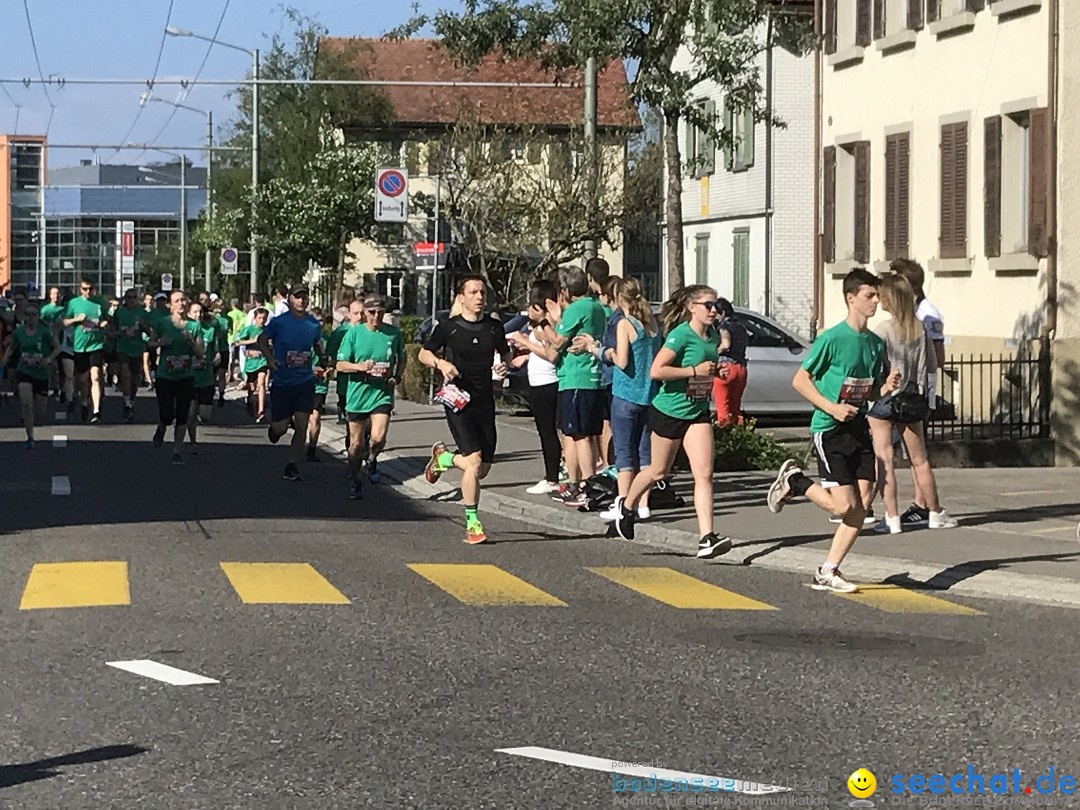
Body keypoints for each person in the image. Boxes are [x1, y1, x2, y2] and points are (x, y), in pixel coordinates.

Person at [765, 268, 902, 593]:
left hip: (858, 427)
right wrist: (832, 407)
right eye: (869, 295)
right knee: (845, 507)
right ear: (850, 298)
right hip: (829, 429)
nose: (875, 301)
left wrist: (884, 388)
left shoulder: (873, 342)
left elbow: (865, 390)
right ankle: (795, 481)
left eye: (877, 295)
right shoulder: (832, 338)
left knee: (863, 505)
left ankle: (828, 570)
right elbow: (800, 381)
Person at [611, 285, 732, 559]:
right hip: (668, 411)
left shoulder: (712, 335)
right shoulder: (680, 335)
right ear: (692, 308)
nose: (714, 311)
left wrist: (715, 371)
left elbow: (704, 368)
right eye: (708, 305)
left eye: (717, 305)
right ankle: (627, 507)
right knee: (657, 472)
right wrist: (693, 370)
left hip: (697, 410)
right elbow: (656, 370)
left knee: (704, 474)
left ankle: (707, 538)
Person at [418, 276, 509, 544]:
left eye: (482, 292)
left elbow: (505, 354)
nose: (479, 297)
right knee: (474, 462)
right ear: (462, 297)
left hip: (484, 401)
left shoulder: (493, 327)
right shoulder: (449, 327)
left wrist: (503, 366)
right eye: (473, 292)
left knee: (482, 470)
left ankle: (444, 459)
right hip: (458, 399)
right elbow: (424, 353)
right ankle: (473, 524)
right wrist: (441, 364)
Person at [867, 273, 957, 533]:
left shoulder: (883, 329)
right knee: (920, 461)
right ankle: (935, 511)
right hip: (912, 399)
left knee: (884, 459)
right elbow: (930, 367)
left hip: (885, 397)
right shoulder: (920, 329)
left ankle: (892, 517)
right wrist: (928, 400)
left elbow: (875, 362)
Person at [587, 277, 660, 521]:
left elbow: (622, 361)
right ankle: (644, 504)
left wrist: (601, 351)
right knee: (645, 452)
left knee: (624, 454)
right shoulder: (652, 324)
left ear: (619, 299)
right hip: (648, 395)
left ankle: (623, 504)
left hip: (626, 393)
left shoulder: (625, 324)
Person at [542, 266, 609, 508]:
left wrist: (544, 323)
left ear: (567, 290)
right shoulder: (597, 307)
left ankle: (583, 485)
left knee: (577, 434)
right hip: (593, 377)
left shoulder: (577, 308)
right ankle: (585, 484)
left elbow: (557, 343)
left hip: (575, 377)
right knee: (586, 434)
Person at [891, 258, 946, 528]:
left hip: (916, 391)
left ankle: (922, 504)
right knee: (911, 452)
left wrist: (929, 393)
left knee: (917, 451)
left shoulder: (926, 314)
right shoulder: (909, 312)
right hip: (904, 390)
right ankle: (921, 502)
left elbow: (937, 356)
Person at [336, 293, 406, 499]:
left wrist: (398, 376)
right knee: (356, 445)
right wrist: (359, 367)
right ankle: (356, 479)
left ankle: (373, 457)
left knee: (378, 437)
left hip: (381, 393)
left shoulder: (393, 334)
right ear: (365, 313)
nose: (376, 316)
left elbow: (402, 357)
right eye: (372, 312)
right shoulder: (354, 334)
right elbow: (340, 365)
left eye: (380, 312)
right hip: (357, 395)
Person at [254, 282, 325, 482]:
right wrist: (269, 358)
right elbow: (261, 339)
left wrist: (323, 357)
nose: (301, 300)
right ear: (290, 300)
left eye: (304, 297)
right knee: (281, 428)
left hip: (304, 381)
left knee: (302, 423)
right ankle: (275, 428)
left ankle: (292, 463)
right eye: (297, 297)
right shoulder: (279, 322)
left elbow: (317, 344)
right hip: (283, 381)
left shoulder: (313, 324)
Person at [507, 280, 563, 496]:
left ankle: (553, 477)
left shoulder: (548, 324)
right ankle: (552, 474)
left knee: (549, 432)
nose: (529, 309)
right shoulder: (541, 325)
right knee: (544, 431)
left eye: (533, 304)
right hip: (538, 380)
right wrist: (527, 354)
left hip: (548, 382)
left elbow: (551, 355)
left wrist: (526, 342)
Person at [148, 290, 204, 465]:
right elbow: (149, 343)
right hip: (165, 375)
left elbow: (200, 354)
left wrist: (191, 341)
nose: (181, 303)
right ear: (170, 305)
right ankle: (162, 427)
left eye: (183, 300)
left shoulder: (194, 326)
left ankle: (177, 450)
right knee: (167, 413)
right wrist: (159, 344)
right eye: (177, 301)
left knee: (183, 414)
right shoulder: (162, 323)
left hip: (185, 376)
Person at [3, 304, 60, 448]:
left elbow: (57, 348)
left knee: (40, 409)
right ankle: (30, 437)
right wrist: (5, 360)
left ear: (38, 316)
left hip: (41, 373)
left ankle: (32, 419)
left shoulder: (44, 332)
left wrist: (47, 360)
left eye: (33, 314)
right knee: (26, 403)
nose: (30, 318)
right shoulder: (19, 332)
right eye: (28, 314)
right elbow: (12, 347)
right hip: (24, 371)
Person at [62, 278, 110, 423]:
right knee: (82, 380)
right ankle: (84, 403)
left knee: (95, 376)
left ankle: (96, 411)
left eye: (90, 289)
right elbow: (63, 322)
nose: (88, 292)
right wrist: (76, 319)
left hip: (96, 345)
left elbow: (107, 319)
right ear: (80, 289)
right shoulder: (74, 303)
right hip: (80, 345)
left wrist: (104, 323)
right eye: (84, 289)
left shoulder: (100, 302)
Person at [186, 299, 222, 452]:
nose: (198, 314)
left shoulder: (210, 330)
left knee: (205, 415)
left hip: (206, 377)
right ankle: (193, 441)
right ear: (188, 313)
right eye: (195, 312)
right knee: (191, 412)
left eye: (200, 312)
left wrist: (218, 355)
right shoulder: (184, 330)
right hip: (189, 377)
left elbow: (216, 348)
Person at [111, 288, 149, 423]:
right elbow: (112, 331)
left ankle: (130, 399)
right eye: (129, 297)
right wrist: (120, 333)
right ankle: (127, 402)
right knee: (125, 374)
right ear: (125, 299)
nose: (131, 300)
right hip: (123, 348)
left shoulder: (142, 313)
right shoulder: (119, 312)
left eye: (134, 297)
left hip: (137, 348)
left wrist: (143, 328)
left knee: (134, 380)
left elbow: (150, 332)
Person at [712, 298, 749, 427]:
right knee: (735, 406)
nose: (714, 316)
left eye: (716, 313)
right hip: (741, 368)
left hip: (725, 368)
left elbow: (726, 344)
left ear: (722, 312)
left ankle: (724, 433)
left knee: (723, 406)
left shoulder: (724, 326)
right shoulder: (741, 326)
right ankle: (738, 434)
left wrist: (713, 352)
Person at [235, 308, 269, 421]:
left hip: (262, 361)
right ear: (255, 318)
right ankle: (250, 400)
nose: (262, 320)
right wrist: (253, 341)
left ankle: (261, 411)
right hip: (251, 363)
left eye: (264, 318)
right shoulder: (249, 329)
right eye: (259, 318)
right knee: (252, 387)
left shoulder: (268, 330)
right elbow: (238, 342)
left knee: (262, 383)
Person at [40, 286, 65, 399]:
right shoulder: (45, 309)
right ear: (50, 296)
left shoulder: (63, 309)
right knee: (51, 365)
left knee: (62, 366)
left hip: (61, 340)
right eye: (54, 294)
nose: (56, 296)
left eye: (58, 293)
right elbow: (41, 322)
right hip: (48, 341)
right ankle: (53, 387)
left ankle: (62, 388)